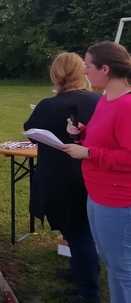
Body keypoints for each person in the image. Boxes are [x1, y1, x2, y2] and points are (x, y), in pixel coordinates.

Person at [24, 52, 101, 303]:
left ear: (56, 74)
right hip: (90, 173)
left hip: (60, 177)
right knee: (80, 230)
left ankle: (87, 292)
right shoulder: (98, 100)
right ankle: (80, 271)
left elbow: (30, 131)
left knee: (78, 233)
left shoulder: (49, 105)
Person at [62, 41, 131, 303]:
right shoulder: (105, 100)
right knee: (113, 264)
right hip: (98, 194)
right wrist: (82, 133)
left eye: (88, 66)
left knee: (123, 269)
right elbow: (105, 140)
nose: (84, 71)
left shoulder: (127, 106)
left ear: (105, 69)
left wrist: (88, 153)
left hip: (118, 200)